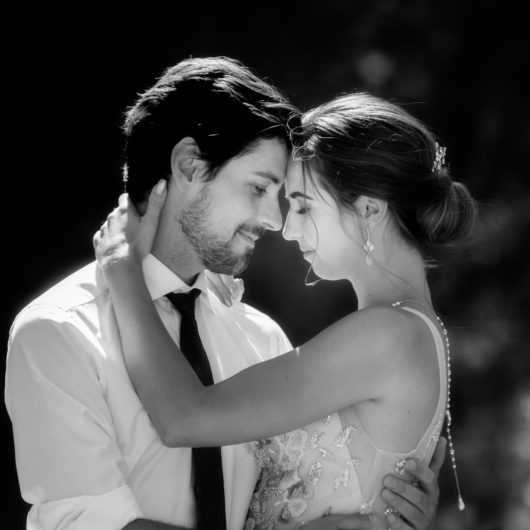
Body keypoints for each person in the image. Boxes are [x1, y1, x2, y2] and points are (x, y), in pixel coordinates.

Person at [5, 57, 443, 530]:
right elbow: (85, 524)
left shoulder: (260, 337)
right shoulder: (59, 331)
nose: (277, 223)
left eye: (291, 201)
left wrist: (385, 500)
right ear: (189, 164)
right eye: (259, 188)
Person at [94, 92, 476, 528]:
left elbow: (183, 418)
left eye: (303, 205)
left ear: (368, 208)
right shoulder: (413, 330)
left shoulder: (387, 336)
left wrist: (123, 271)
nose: (288, 229)